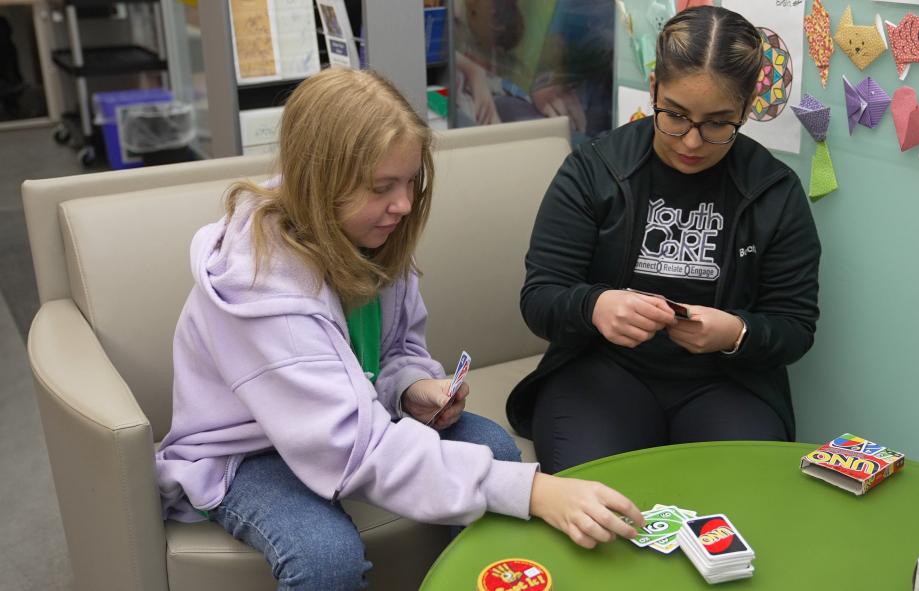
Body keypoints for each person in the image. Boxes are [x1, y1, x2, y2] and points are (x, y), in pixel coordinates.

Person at [154, 68, 644, 590]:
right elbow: (352, 451)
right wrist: (536, 492)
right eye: (383, 187)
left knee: (495, 451)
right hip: (249, 455)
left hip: (350, 424)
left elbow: (394, 351)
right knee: (325, 555)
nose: (405, 204)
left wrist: (410, 386)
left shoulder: (366, 232)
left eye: (411, 181)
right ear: (319, 182)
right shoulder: (262, 288)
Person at [507, 6, 821, 473]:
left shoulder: (773, 192)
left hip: (728, 383)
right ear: (654, 88)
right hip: (600, 372)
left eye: (718, 123)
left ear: (748, 109)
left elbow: (795, 326)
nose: (691, 142)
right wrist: (595, 306)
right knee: (598, 502)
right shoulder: (595, 170)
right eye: (674, 115)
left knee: (745, 500)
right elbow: (540, 298)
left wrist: (735, 333)